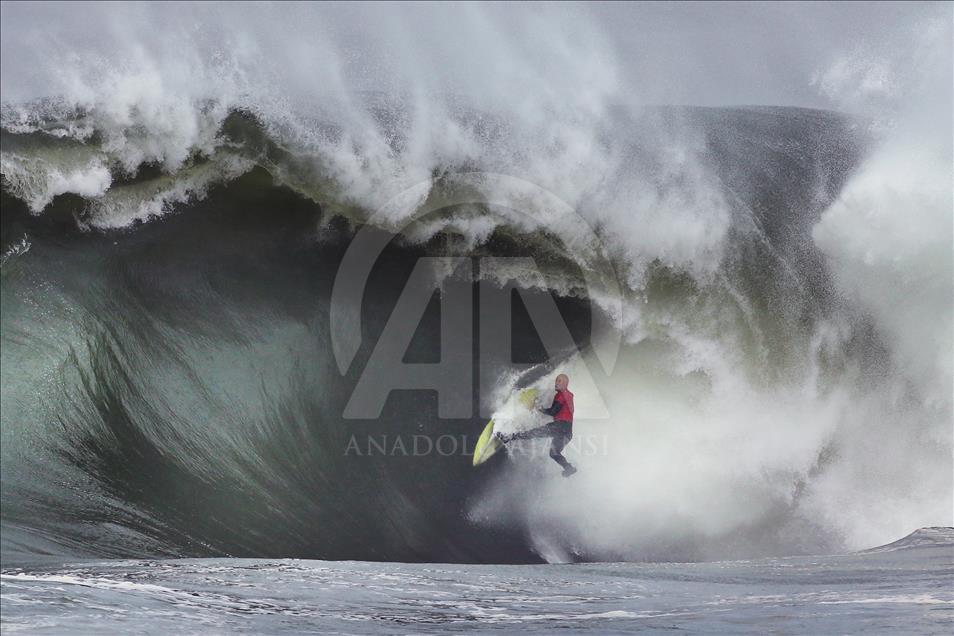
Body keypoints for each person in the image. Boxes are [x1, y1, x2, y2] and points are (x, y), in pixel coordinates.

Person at [496, 374, 577, 477]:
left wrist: (538, 408)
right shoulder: (569, 395)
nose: (556, 383)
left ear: (566, 383)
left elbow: (553, 411)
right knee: (554, 453)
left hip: (560, 426)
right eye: (556, 380)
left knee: (533, 433)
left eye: (559, 381)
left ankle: (507, 437)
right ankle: (568, 468)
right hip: (568, 432)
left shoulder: (561, 394)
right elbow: (561, 412)